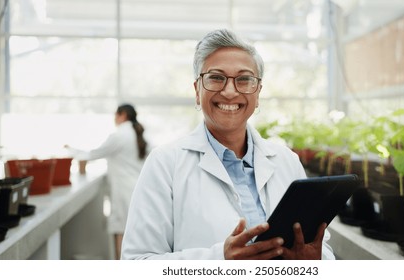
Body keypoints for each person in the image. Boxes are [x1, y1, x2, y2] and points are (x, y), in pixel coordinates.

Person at [121, 29, 335, 260]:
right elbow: (136, 262)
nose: (230, 91)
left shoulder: (287, 161)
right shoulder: (165, 163)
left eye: (244, 79)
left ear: (258, 92)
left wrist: (314, 262)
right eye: (216, 77)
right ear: (197, 91)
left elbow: (322, 248)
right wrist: (219, 260)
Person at [65, 104, 148, 260]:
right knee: (134, 237)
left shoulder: (119, 136)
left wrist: (71, 150)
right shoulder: (138, 135)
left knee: (122, 234)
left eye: (115, 115)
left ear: (122, 115)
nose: (114, 119)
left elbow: (92, 155)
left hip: (124, 193)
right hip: (137, 191)